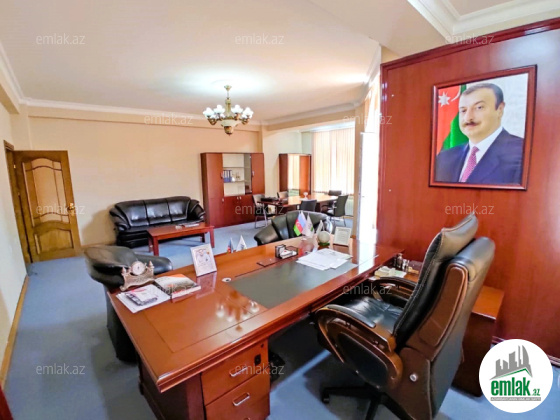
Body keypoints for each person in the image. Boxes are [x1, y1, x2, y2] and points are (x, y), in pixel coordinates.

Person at [435, 83, 524, 184]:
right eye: (463, 110)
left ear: (500, 110)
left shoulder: (523, 153)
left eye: (479, 107)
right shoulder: (444, 158)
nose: (468, 117)